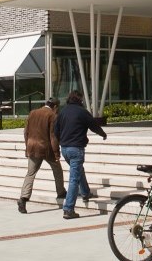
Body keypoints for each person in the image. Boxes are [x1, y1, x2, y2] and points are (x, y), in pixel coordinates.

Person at [53, 89, 107, 219]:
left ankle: (86, 193)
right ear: (80, 100)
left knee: (78, 170)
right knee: (73, 179)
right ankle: (68, 209)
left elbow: (55, 129)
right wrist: (103, 134)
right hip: (76, 148)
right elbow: (93, 125)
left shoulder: (63, 111)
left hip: (65, 149)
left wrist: (62, 141)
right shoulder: (82, 112)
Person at [17, 97, 66, 214]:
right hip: (46, 148)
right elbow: (53, 136)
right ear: (55, 106)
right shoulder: (52, 115)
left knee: (30, 173)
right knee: (57, 169)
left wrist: (27, 145)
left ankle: (23, 198)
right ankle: (61, 192)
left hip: (32, 147)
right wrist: (56, 153)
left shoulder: (33, 113)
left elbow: (26, 132)